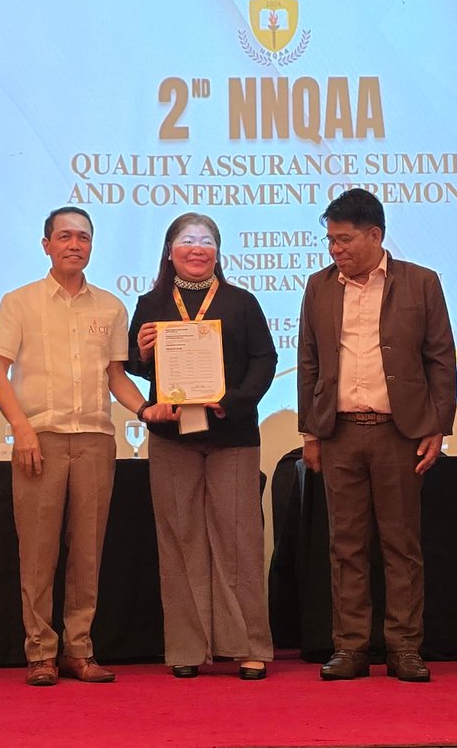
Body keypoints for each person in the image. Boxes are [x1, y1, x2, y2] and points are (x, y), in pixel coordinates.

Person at [0, 206, 174, 686]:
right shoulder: (19, 302)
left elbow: (116, 377)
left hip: (95, 439)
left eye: (83, 237)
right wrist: (21, 428)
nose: (75, 245)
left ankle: (79, 649)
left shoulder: (110, 307)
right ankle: (40, 653)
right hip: (39, 438)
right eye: (65, 236)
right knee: (38, 552)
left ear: (92, 246)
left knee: (87, 551)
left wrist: (145, 409)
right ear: (46, 244)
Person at [297, 188, 456, 683]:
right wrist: (310, 431)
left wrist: (438, 425)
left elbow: (440, 358)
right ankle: (350, 647)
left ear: (375, 235)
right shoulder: (319, 286)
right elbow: (308, 361)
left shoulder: (421, 282)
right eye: (330, 240)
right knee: (345, 546)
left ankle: (404, 648)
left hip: (399, 433)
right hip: (339, 432)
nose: (336, 249)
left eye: (344, 240)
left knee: (401, 545)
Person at [126, 213, 277, 681]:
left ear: (218, 250)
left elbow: (265, 360)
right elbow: (137, 366)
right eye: (188, 240)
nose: (197, 248)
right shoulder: (150, 303)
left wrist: (231, 402)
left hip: (232, 434)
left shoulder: (241, 301)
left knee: (239, 539)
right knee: (179, 538)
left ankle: (248, 646)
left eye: (207, 241)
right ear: (170, 250)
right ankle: (186, 647)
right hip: (172, 437)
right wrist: (142, 353)